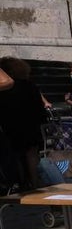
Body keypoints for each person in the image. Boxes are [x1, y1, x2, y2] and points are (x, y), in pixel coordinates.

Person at [0, 57, 47, 190]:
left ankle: (21, 182)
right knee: (31, 153)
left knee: (16, 153)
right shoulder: (29, 85)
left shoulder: (5, 88)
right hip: (30, 123)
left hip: (10, 123)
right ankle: (35, 181)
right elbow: (39, 106)